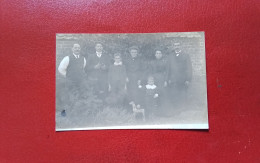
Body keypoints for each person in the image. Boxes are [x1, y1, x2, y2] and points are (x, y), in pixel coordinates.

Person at [58, 43, 87, 116]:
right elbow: (60, 69)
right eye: (75, 48)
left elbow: (82, 68)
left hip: (80, 81)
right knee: (69, 96)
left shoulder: (83, 58)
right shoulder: (67, 58)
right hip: (70, 81)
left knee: (80, 96)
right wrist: (67, 76)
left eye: (78, 48)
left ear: (80, 49)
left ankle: (78, 113)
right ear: (72, 49)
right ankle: (68, 113)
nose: (77, 49)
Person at [167, 42, 192, 108]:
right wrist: (168, 78)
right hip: (173, 79)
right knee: (174, 93)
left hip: (183, 79)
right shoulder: (170, 56)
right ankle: (175, 108)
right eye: (175, 45)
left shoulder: (185, 55)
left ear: (180, 46)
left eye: (178, 45)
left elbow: (189, 68)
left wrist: (188, 79)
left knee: (183, 93)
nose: (177, 47)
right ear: (173, 46)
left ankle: (183, 107)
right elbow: (168, 68)